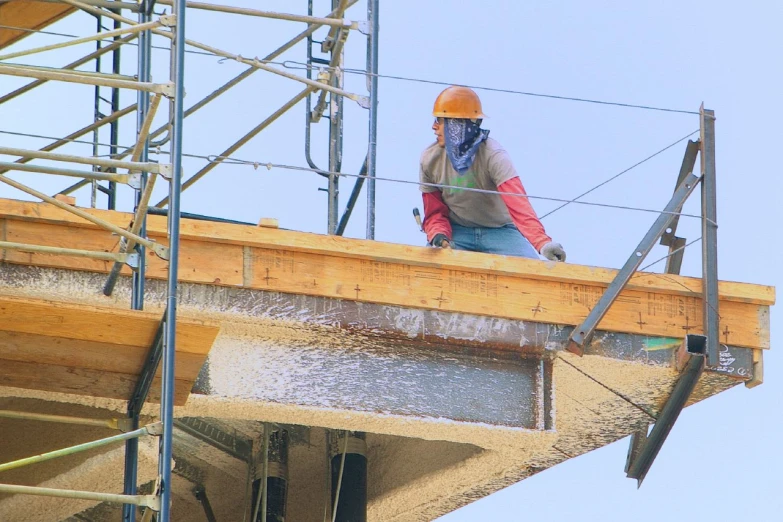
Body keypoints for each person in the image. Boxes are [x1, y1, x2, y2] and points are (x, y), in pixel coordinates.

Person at [419, 86, 566, 262]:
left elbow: (519, 205)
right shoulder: (429, 160)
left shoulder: (493, 155)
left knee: (531, 270)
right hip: (458, 231)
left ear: (457, 125)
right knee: (430, 268)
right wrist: (439, 235)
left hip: (500, 231)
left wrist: (542, 243)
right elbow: (434, 212)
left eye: (440, 120)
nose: (433, 127)